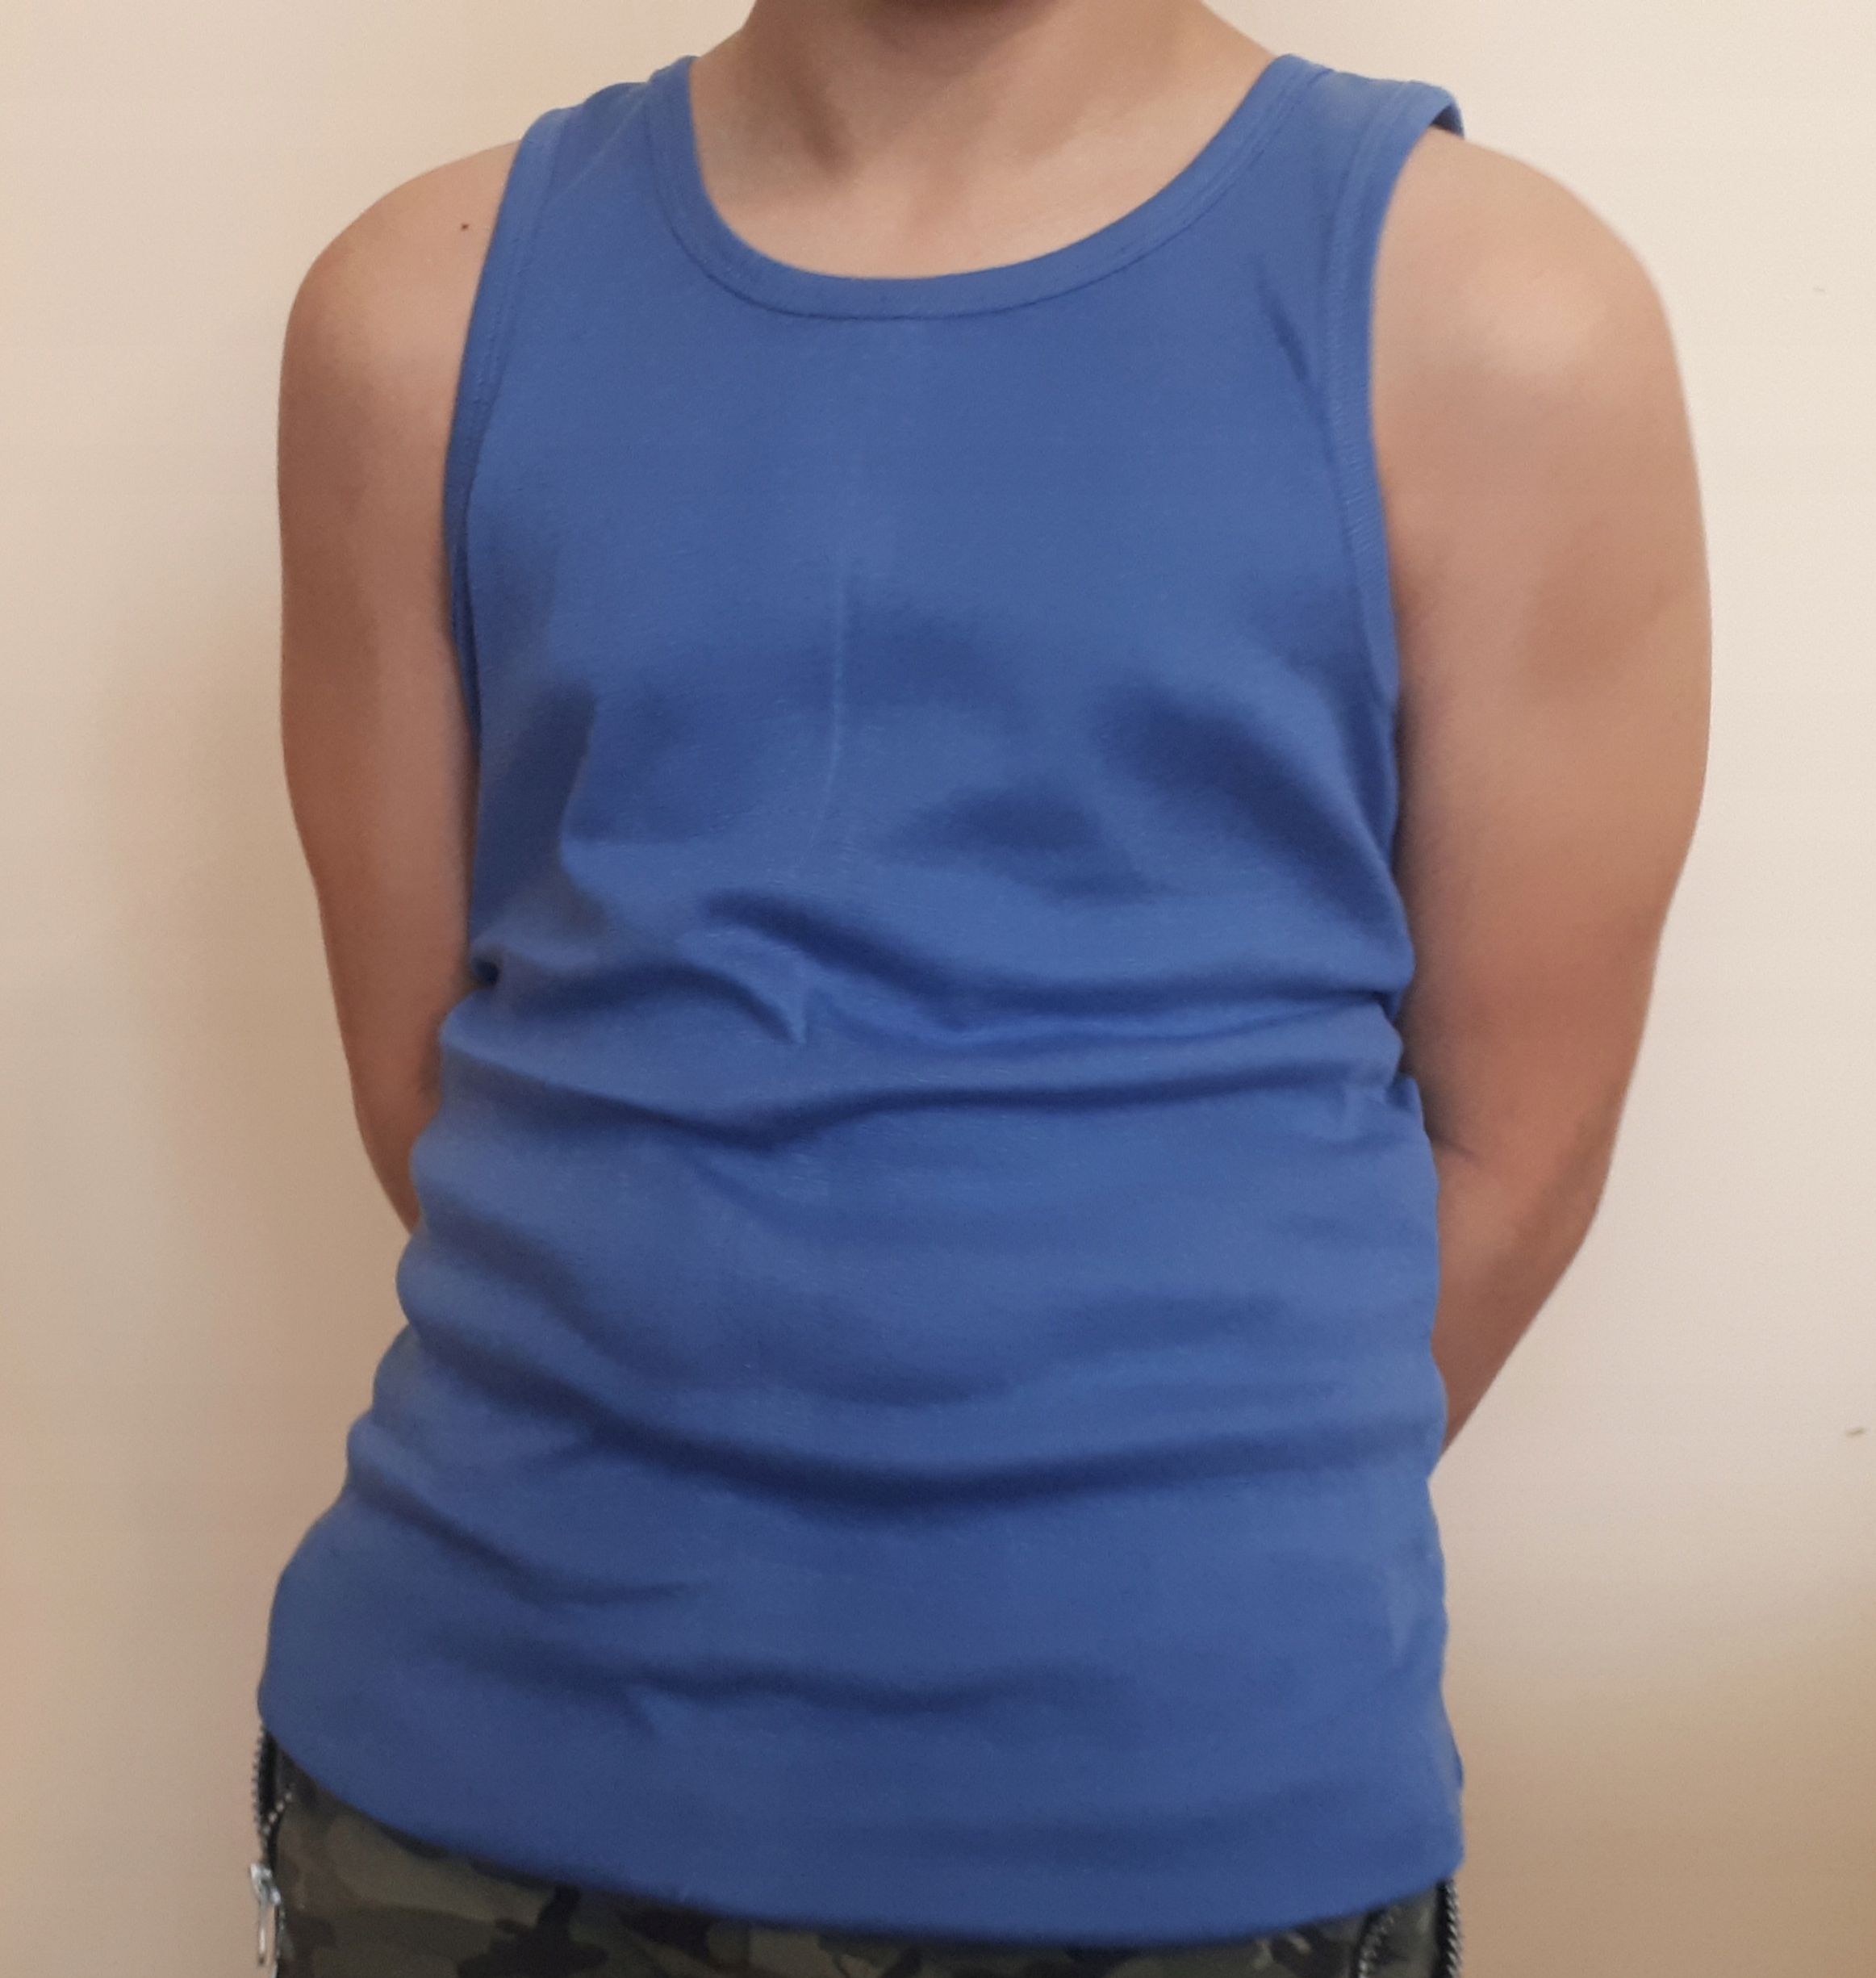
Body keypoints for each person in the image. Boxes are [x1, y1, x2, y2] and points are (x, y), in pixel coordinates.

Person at [252, 2, 1710, 1974]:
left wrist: (1128, 1559)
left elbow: (1516, 1148)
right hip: (457, 1794)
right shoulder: (407, 319)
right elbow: (424, 1085)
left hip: (1193, 1828)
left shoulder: (1495, 315)